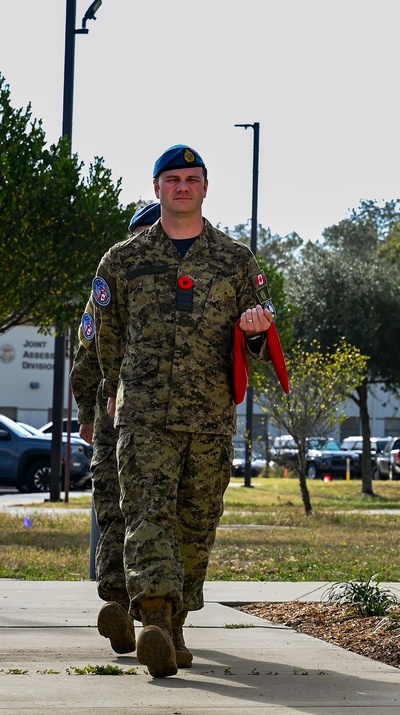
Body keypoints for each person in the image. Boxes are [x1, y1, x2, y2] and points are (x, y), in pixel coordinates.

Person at [90, 145, 277, 678]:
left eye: (192, 178)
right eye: (172, 179)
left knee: (196, 527)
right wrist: (109, 392)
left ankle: (173, 626)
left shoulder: (236, 261)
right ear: (156, 189)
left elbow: (261, 340)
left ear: (205, 187)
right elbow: (106, 334)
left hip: (209, 416)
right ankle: (151, 615)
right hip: (143, 415)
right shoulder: (121, 260)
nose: (182, 187)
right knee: (148, 516)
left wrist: (256, 334)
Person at [70, 202, 161, 660]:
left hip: (157, 420)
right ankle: (120, 608)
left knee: (147, 511)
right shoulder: (111, 283)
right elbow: (88, 349)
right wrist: (88, 412)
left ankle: (148, 613)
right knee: (114, 510)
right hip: (114, 420)